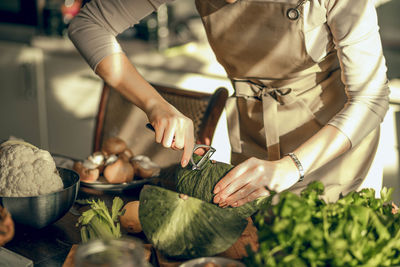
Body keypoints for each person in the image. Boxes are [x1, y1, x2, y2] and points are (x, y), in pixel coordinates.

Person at [68, 0, 390, 207]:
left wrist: (291, 166)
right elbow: (88, 25)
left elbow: (371, 99)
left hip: (332, 149)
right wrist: (155, 104)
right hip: (254, 142)